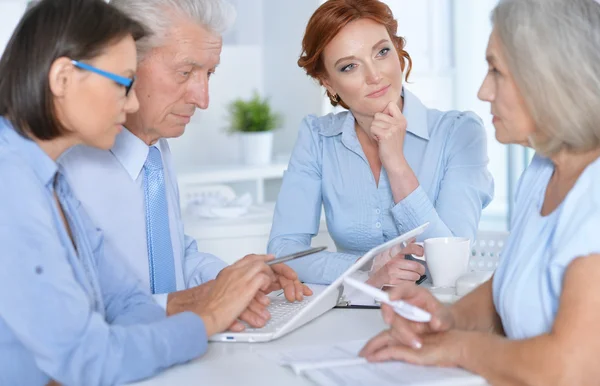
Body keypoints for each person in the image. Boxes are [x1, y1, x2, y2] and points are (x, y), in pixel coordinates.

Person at [0, 0, 277, 385]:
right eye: (121, 82)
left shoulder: (49, 179)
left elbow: (122, 300)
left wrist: (224, 289)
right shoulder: (12, 183)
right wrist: (206, 318)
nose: (129, 102)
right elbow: (88, 357)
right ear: (63, 78)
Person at [360, 0, 600, 383]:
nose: (483, 91)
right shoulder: (543, 170)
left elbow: (571, 368)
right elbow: (512, 286)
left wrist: (455, 346)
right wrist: (446, 318)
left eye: (496, 71)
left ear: (552, 79)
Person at [59, 0, 312, 328]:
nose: (203, 99)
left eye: (209, 73)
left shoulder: (155, 150)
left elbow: (173, 253)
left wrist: (231, 280)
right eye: (185, 72)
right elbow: (68, 316)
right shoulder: (66, 167)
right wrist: (186, 304)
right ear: (125, 63)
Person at [267, 0, 494, 286]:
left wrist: (396, 162)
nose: (375, 76)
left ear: (398, 52)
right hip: (349, 316)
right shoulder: (318, 138)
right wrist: (369, 268)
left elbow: (451, 269)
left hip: (436, 315)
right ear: (328, 82)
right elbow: (284, 253)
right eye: (349, 66)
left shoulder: (459, 132)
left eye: (382, 52)